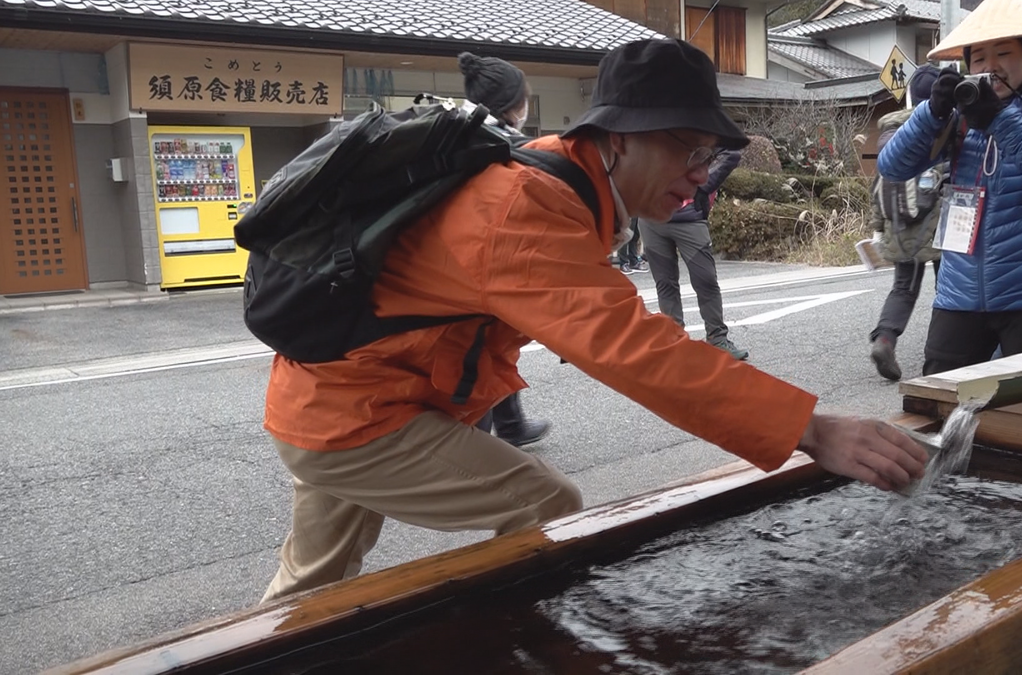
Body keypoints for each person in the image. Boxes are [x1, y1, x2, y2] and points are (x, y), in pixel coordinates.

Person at [259, 38, 927, 602]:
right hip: (359, 418)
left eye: (708, 157)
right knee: (543, 506)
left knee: (304, 594)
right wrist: (808, 427)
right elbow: (636, 352)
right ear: (616, 140)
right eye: (687, 151)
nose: (700, 177)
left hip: (329, 398)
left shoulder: (558, 180)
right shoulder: (522, 208)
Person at [877, 0, 1022, 376]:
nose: (990, 66)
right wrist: (932, 111)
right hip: (958, 296)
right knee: (942, 402)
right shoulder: (959, 121)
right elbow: (893, 166)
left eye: (1004, 53)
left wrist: (999, 118)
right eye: (978, 59)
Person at [458, 51, 551, 446]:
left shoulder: (455, 130)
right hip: (475, 269)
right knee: (476, 357)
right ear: (514, 104)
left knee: (491, 348)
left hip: (458, 265)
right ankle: (476, 452)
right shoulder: (499, 144)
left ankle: (510, 425)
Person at [868, 64, 943, 382]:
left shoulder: (889, 133)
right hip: (938, 226)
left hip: (898, 224)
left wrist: (877, 227)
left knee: (902, 289)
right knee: (949, 290)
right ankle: (941, 354)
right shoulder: (941, 130)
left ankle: (885, 339)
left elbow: (877, 184)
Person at [639, 148, 748, 360]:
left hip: (690, 219)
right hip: (651, 219)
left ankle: (717, 339)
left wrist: (701, 186)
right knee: (665, 283)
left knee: (705, 280)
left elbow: (731, 152)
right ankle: (674, 341)